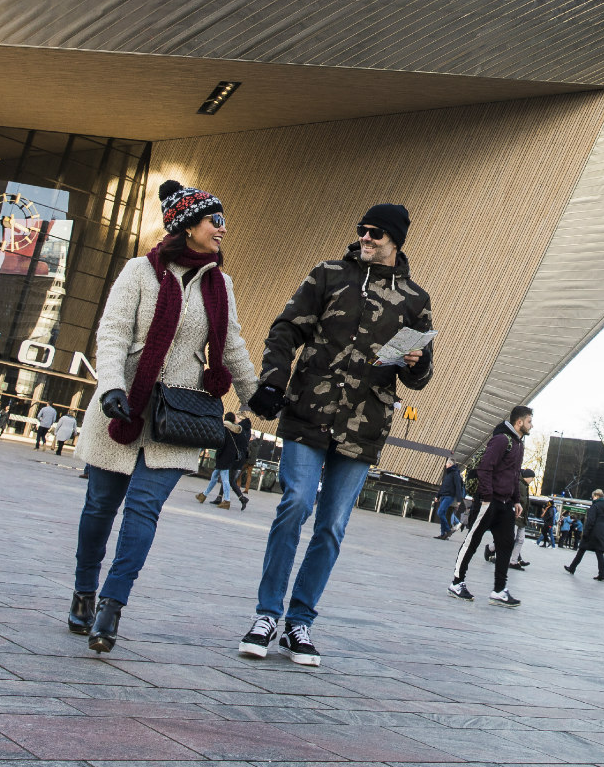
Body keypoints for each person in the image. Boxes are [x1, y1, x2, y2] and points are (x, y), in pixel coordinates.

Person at [240, 203, 434, 666]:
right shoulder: (328, 275)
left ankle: (300, 622)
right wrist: (273, 380)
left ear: (395, 241)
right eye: (362, 230)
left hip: (364, 427)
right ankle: (266, 615)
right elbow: (286, 329)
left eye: (376, 233)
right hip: (308, 411)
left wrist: (418, 363)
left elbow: (420, 377)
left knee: (332, 526)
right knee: (295, 504)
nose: (365, 237)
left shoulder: (415, 299)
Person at [70, 180, 258, 653]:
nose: (223, 229)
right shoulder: (139, 271)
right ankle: (84, 591)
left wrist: (258, 396)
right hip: (123, 406)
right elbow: (113, 333)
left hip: (179, 415)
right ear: (188, 225)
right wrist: (111, 386)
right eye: (216, 220)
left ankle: (112, 605)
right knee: (100, 506)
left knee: (143, 509)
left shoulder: (221, 284)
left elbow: (231, 345)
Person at [450, 406, 529, 607]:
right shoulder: (502, 440)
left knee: (506, 544)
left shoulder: (519, 444)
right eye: (529, 421)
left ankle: (499, 590)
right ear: (519, 422)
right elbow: (485, 467)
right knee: (473, 541)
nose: (531, 425)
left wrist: (516, 500)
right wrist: (486, 496)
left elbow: (514, 475)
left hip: (506, 504)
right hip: (489, 501)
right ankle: (457, 583)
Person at [198, 414, 249, 510]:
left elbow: (221, 443)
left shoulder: (224, 428)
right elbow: (243, 444)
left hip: (223, 456)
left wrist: (218, 455)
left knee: (225, 479)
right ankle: (204, 495)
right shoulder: (238, 430)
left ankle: (227, 500)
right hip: (231, 456)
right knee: (214, 476)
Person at [564, 488, 604, 580]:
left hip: (593, 531)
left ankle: (572, 567)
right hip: (602, 531)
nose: (592, 498)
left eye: (593, 496)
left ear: (596, 496)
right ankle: (602, 574)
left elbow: (590, 521)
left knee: (582, 549)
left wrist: (585, 532)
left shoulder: (595, 506)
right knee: (599, 553)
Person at [434, 458, 465, 539]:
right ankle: (443, 534)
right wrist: (438, 495)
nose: (446, 465)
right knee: (442, 513)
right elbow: (443, 486)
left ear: (450, 464)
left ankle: (448, 530)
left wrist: (459, 499)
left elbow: (458, 486)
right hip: (444, 496)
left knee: (440, 512)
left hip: (449, 496)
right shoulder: (448, 473)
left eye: (447, 463)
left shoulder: (455, 474)